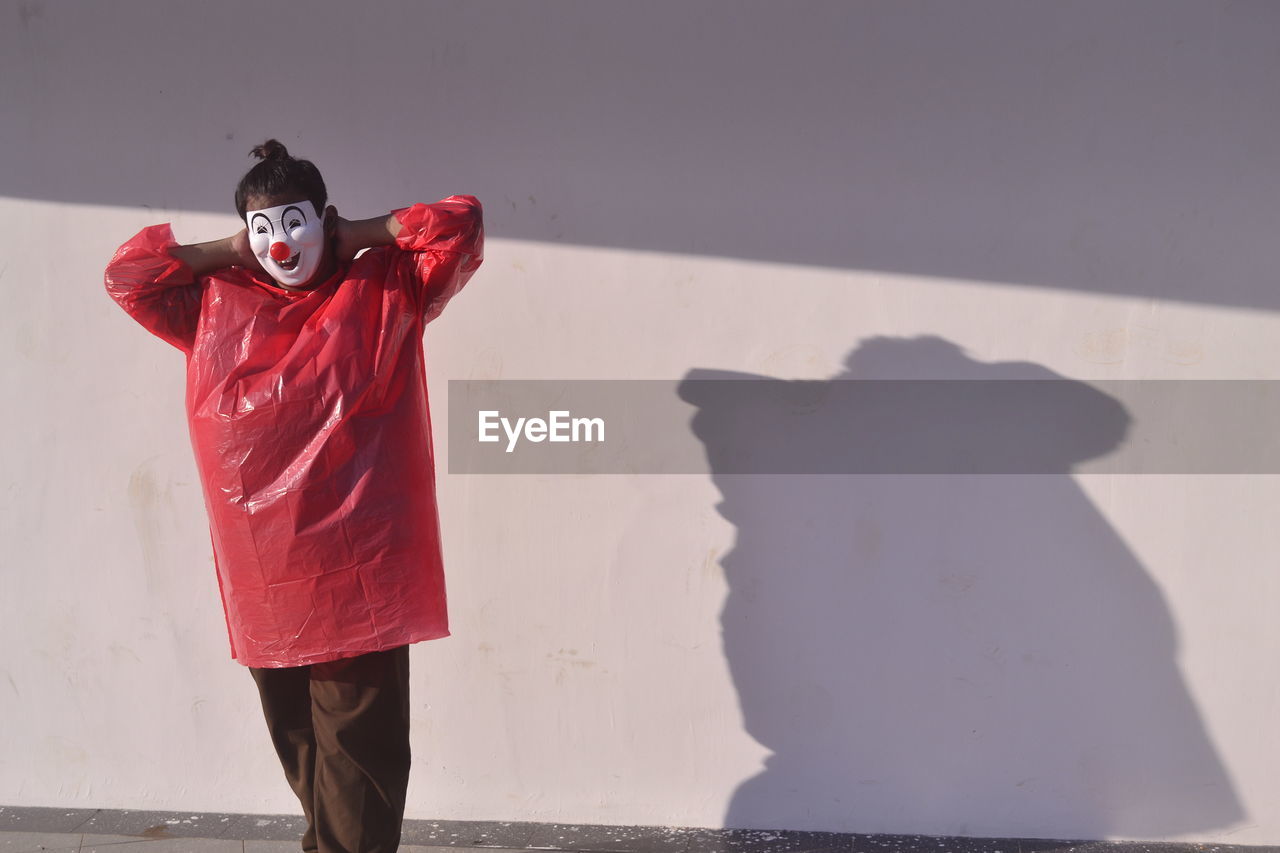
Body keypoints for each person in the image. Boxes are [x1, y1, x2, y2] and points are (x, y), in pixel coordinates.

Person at [104, 139, 484, 853]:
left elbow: (458, 227)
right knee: (301, 741)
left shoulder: (383, 290)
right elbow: (128, 276)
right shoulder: (214, 305)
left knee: (358, 746)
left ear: (326, 219)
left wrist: (362, 235)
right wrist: (229, 249)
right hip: (269, 577)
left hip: (360, 573)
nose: (282, 244)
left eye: (297, 222)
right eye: (264, 229)